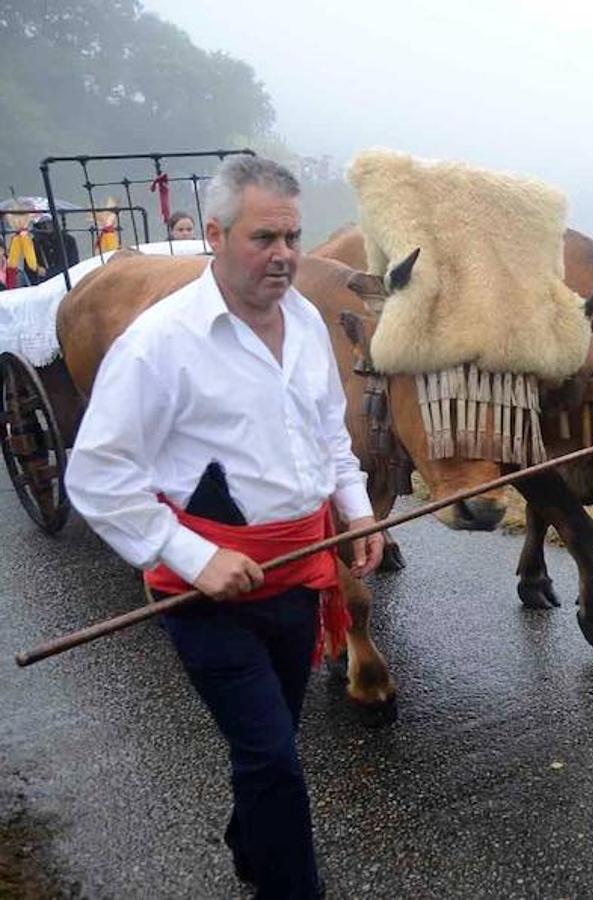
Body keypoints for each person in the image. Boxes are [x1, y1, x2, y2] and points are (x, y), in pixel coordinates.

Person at [65, 156, 383, 899]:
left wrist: (358, 508)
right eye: (263, 237)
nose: (284, 255)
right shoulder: (159, 343)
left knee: (273, 747)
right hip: (203, 593)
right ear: (214, 234)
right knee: (272, 758)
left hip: (301, 574)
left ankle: (251, 839)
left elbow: (329, 433)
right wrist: (191, 553)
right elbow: (96, 474)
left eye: (293, 237)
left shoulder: (304, 322)